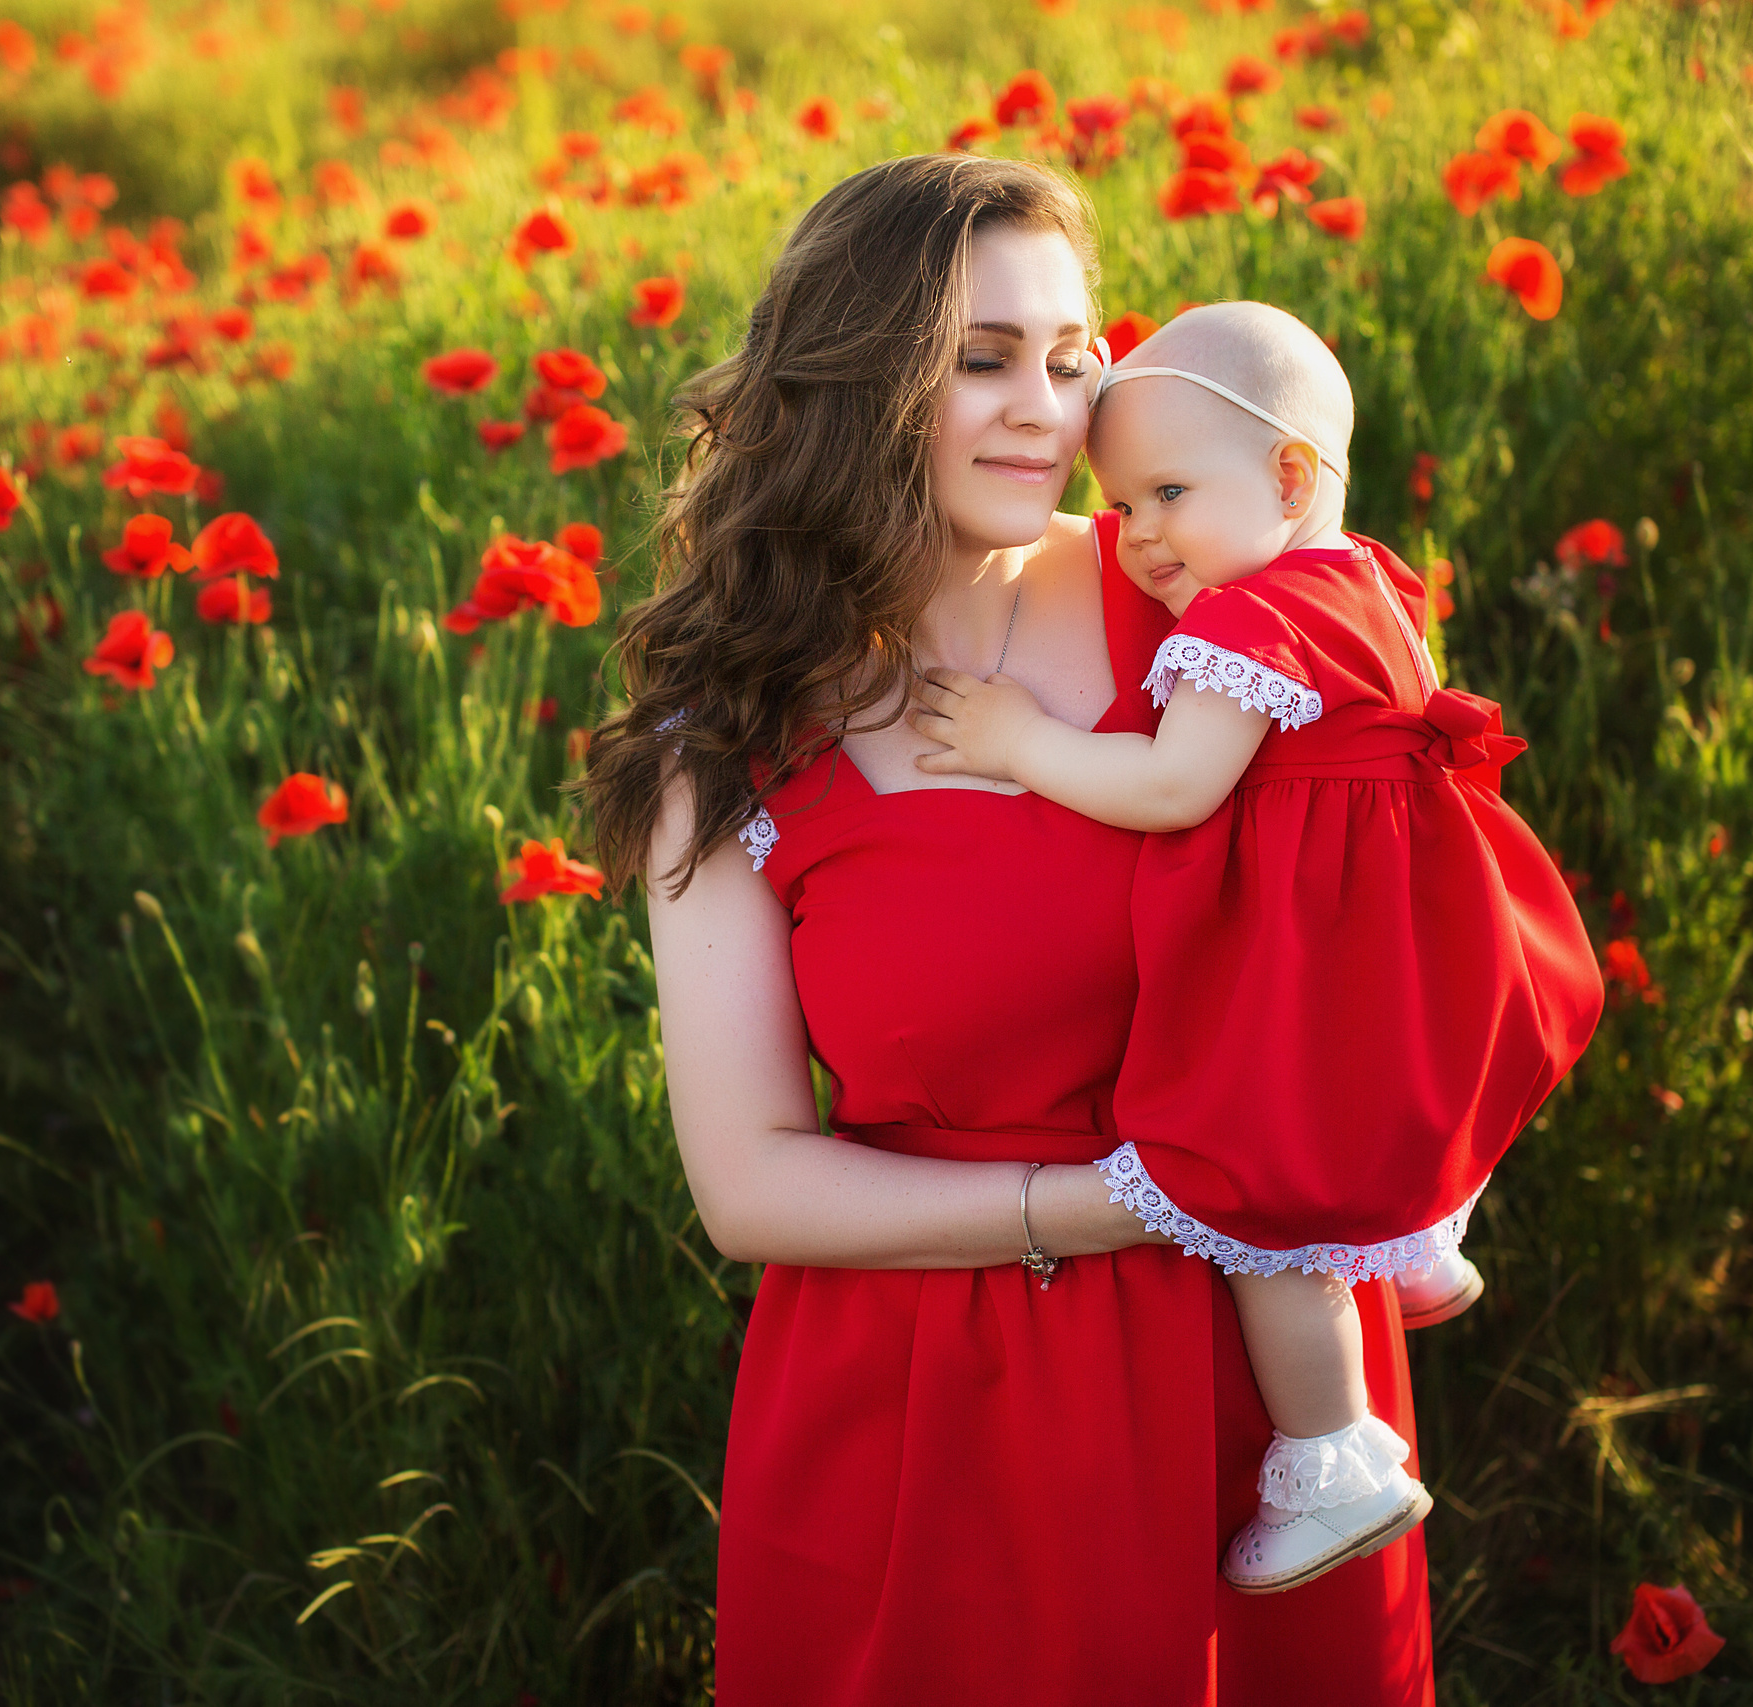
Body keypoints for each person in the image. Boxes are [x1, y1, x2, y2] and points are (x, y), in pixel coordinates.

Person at [580, 161, 1435, 1701]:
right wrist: (1134, 1198)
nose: (1045, 407)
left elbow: (1400, 871)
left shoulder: (1200, 600)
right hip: (933, 1405)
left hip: (1267, 1378)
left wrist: (1403, 1160)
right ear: (852, 386)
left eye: (1070, 353)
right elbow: (750, 1187)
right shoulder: (730, 739)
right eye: (979, 360)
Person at [909, 302, 1606, 1595]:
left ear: (1291, 476)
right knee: (1370, 1107)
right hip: (1400, 929)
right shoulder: (1367, 580)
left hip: (1311, 948)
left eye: (1169, 493)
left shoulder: (1247, 624)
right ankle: (1410, 1241)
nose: (1140, 535)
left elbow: (1175, 787)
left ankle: (1333, 1453)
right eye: (1121, 506)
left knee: (1256, 1187)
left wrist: (1019, 746)